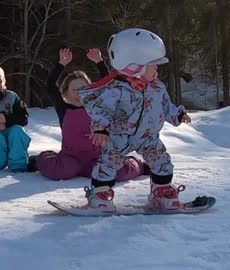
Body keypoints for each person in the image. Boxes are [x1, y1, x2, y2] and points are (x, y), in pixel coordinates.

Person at [77, 28, 192, 212]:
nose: (156, 69)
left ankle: (161, 192)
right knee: (108, 163)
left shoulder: (157, 87)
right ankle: (100, 196)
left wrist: (178, 115)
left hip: (148, 136)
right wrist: (101, 129)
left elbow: (166, 105)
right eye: (153, 65)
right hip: (120, 136)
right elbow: (101, 109)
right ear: (135, 66)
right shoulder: (117, 89)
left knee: (162, 161)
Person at [32, 48, 150, 181]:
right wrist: (61, 64)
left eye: (83, 89)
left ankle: (138, 165)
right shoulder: (63, 108)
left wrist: (100, 62)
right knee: (60, 171)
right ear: (66, 92)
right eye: (74, 90)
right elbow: (50, 86)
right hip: (70, 158)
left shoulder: (99, 106)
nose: (78, 93)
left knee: (115, 173)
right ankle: (40, 159)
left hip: (98, 158)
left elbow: (111, 85)